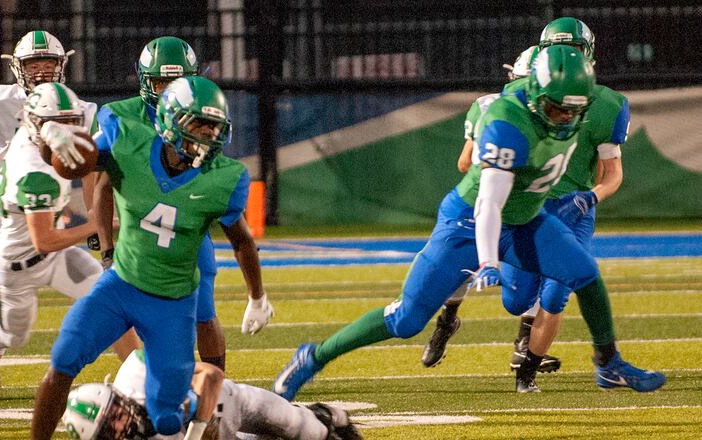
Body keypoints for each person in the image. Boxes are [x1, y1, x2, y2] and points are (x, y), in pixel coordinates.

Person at [273, 45, 664, 401]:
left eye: (574, 110)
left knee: (585, 273)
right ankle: (314, 357)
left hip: (525, 217)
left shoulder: (586, 103)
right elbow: (488, 204)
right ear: (534, 94)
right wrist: (489, 260)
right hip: (468, 221)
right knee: (406, 320)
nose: (565, 117)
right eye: (557, 108)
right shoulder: (507, 121)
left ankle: (608, 363)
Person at [31, 76, 273, 439]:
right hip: (121, 286)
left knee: (166, 419)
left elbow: (241, 240)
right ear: (169, 121)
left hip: (173, 305)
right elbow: (78, 166)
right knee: (63, 359)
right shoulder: (126, 140)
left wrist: (257, 296)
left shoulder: (223, 178)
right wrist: (58, 144)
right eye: (199, 124)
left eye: (214, 127)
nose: (208, 136)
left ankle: (230, 413)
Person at [423, 17, 637, 393]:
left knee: (558, 293)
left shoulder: (605, 104)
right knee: (515, 297)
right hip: (525, 208)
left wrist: (591, 196)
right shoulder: (506, 102)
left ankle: (528, 371)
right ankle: (456, 319)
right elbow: (471, 162)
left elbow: (612, 172)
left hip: (572, 212)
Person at [0, 82, 140, 400]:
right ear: (33, 124)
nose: (65, 130)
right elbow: (44, 240)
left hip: (53, 257)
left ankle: (138, 379)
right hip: (19, 264)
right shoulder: (33, 170)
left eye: (71, 121)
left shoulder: (35, 141)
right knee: (8, 334)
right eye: (55, 124)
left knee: (110, 300)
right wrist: (97, 226)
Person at [92, 36, 236, 371]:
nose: (169, 91)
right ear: (145, 83)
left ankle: (217, 392)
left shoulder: (202, 116)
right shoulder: (121, 119)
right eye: (161, 83)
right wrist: (106, 250)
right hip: (136, 243)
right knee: (120, 318)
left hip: (186, 237)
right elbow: (101, 186)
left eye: (178, 82)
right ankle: (140, 382)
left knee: (203, 315)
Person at [421, 45, 561, 374]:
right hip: (485, 204)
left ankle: (524, 342)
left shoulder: (553, 118)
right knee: (460, 262)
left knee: (542, 269)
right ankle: (447, 321)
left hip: (522, 209)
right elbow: (464, 162)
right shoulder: (490, 107)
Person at [0, 29, 74, 401]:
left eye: (48, 62)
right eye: (34, 63)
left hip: (34, 213)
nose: (41, 70)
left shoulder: (73, 107)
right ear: (18, 67)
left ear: (61, 66)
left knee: (9, 290)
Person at [62, 349, 362, 440]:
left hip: (228, 403)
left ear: (117, 395)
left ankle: (323, 415)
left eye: (114, 413)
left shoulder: (137, 372)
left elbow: (211, 374)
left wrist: (193, 408)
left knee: (305, 430)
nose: (119, 425)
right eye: (108, 429)